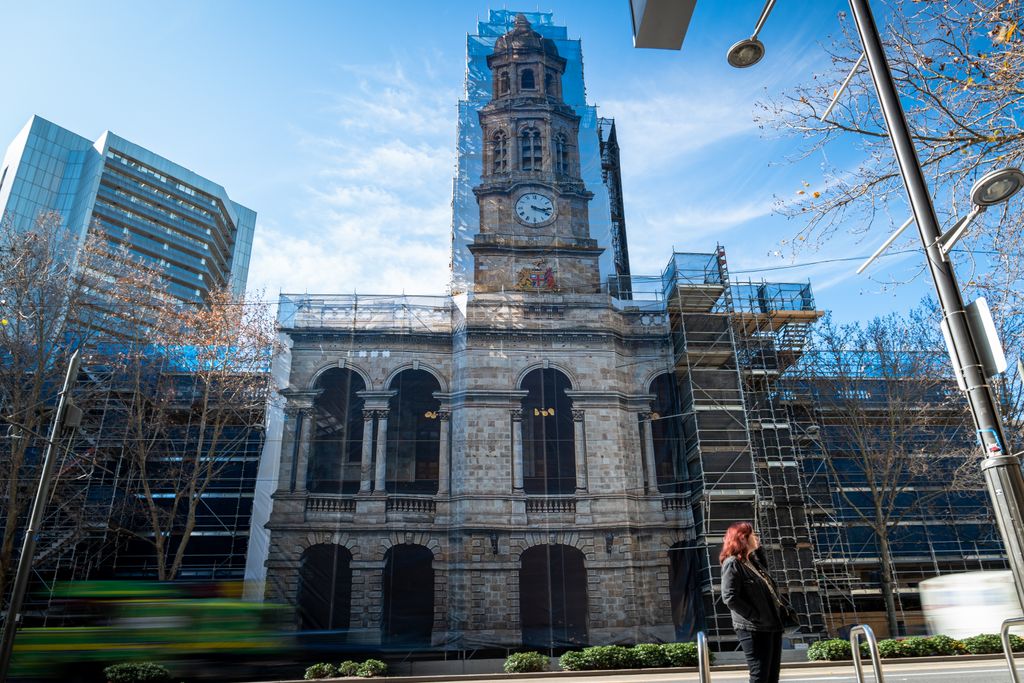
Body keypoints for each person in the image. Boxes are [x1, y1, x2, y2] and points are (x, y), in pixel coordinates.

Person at [720, 521, 783, 683]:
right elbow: (730, 597)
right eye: (753, 534)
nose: (757, 537)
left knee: (772, 676)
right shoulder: (732, 563)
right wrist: (755, 616)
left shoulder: (753, 563)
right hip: (753, 628)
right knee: (759, 676)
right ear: (742, 538)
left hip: (772, 626)